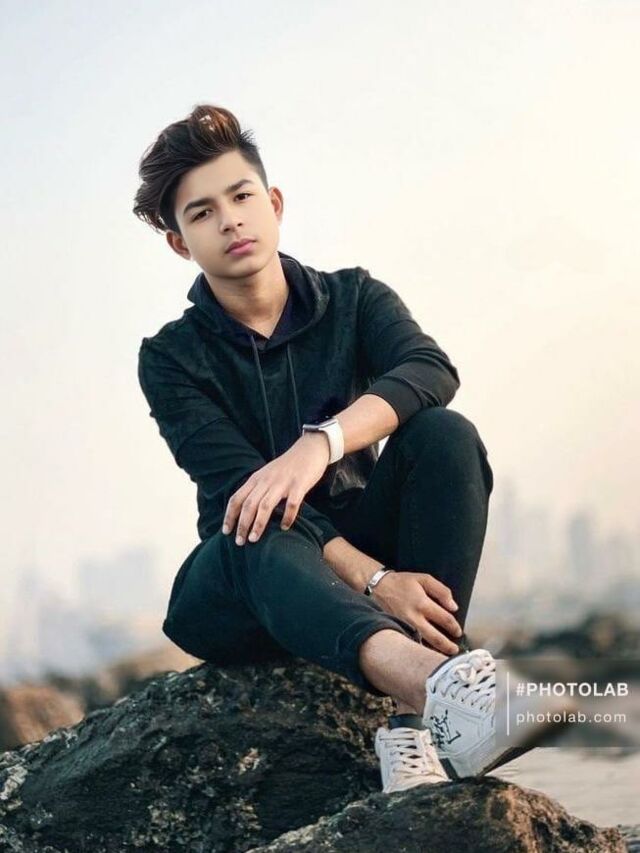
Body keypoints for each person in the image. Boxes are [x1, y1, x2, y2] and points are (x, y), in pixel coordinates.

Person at [132, 104, 549, 794]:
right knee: (254, 522)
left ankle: (412, 735)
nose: (231, 220)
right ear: (181, 243)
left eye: (241, 197)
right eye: (203, 212)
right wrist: (379, 581)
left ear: (273, 204)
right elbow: (246, 492)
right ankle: (440, 689)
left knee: (444, 434)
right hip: (249, 581)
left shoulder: (352, 298)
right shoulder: (171, 357)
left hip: (355, 538)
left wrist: (320, 445)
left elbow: (428, 369)